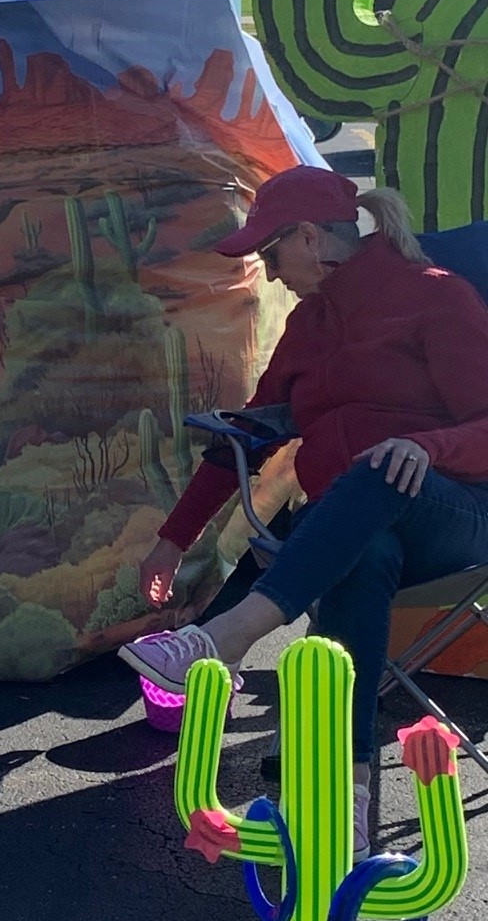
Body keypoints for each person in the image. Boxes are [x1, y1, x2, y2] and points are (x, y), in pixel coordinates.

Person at [121, 167, 488, 854]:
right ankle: (348, 800)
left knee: (375, 472)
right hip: (354, 527)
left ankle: (226, 636)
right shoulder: (307, 325)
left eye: (271, 252)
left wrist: (426, 446)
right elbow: (250, 430)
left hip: (459, 512)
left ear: (312, 239)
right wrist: (173, 539)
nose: (267, 270)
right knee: (363, 551)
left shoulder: (437, 297)